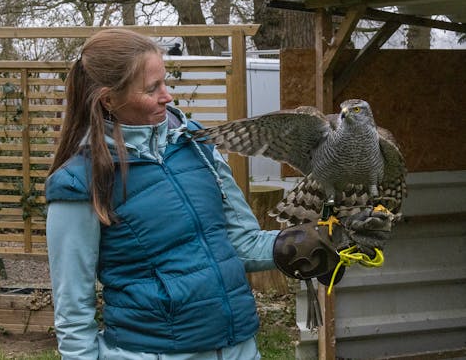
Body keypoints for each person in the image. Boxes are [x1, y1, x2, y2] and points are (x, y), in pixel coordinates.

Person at [45, 28, 393, 359]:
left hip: (239, 348)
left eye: (166, 81)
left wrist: (311, 242)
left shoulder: (193, 144)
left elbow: (239, 242)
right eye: (152, 88)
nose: (167, 95)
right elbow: (73, 313)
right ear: (109, 99)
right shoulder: (79, 182)